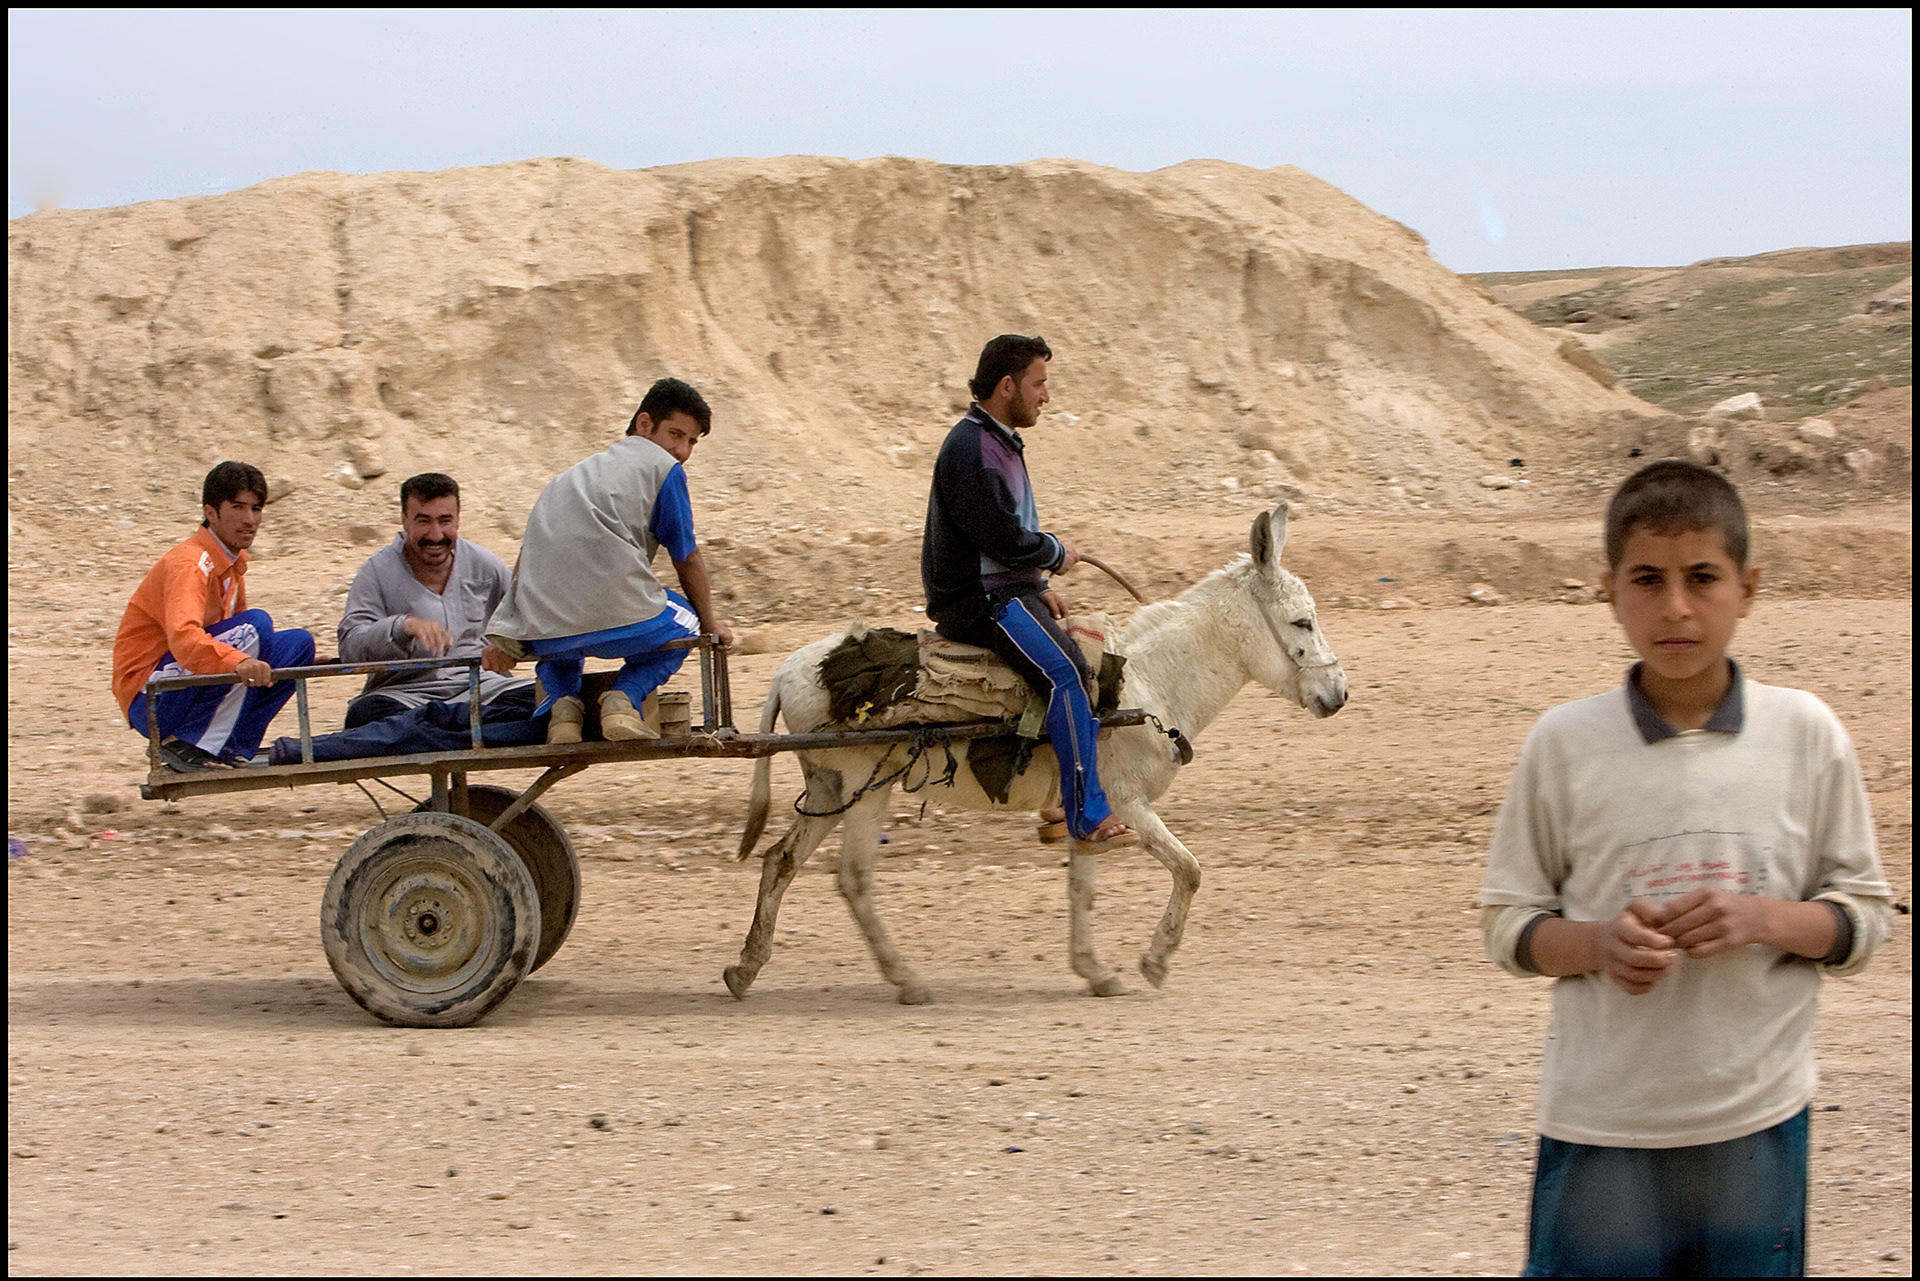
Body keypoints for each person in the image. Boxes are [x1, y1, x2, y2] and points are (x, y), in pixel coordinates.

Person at [1479, 460, 1892, 1277]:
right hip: (1605, 1122)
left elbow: (1864, 917)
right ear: (1610, 592)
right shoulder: (1564, 744)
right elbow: (1509, 924)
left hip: (1756, 1121)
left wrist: (1763, 917)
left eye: (1702, 577)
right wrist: (1597, 944)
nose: (1675, 606)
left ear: (1748, 587)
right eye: (1647, 579)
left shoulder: (1805, 734)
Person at [921, 334, 1135, 848]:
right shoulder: (973, 448)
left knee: (1076, 661)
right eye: (1038, 384)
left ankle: (1059, 798)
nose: (1046, 396)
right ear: (1006, 386)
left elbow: (1001, 538)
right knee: (1067, 674)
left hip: (1005, 592)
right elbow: (1001, 537)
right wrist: (1054, 553)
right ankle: (1085, 816)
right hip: (980, 603)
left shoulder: (997, 442)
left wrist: (1037, 586)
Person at [485, 377, 734, 744]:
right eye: (675, 434)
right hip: (620, 623)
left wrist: (505, 631)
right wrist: (711, 624)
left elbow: (528, 559)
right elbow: (686, 558)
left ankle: (564, 709)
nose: (681, 451)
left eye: (691, 442)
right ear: (644, 424)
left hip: (545, 632)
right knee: (688, 622)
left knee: (559, 624)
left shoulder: (563, 480)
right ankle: (623, 700)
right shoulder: (664, 469)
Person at [113, 461, 316, 771]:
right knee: (257, 626)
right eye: (237, 507)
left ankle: (229, 744)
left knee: (299, 645)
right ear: (211, 513)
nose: (250, 520)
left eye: (256, 509)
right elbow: (184, 639)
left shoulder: (231, 563)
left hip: (179, 682)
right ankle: (190, 744)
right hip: (149, 697)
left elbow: (240, 637)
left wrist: (277, 658)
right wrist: (239, 661)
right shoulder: (192, 563)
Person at [336, 472, 530, 726]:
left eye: (445, 521)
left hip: (484, 689)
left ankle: (441, 728)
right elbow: (350, 648)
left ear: (458, 520)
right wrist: (402, 627)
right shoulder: (376, 572)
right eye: (424, 521)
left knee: (542, 700)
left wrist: (507, 645)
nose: (436, 535)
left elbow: (525, 616)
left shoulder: (485, 565)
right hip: (405, 696)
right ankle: (468, 727)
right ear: (404, 521)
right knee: (365, 716)